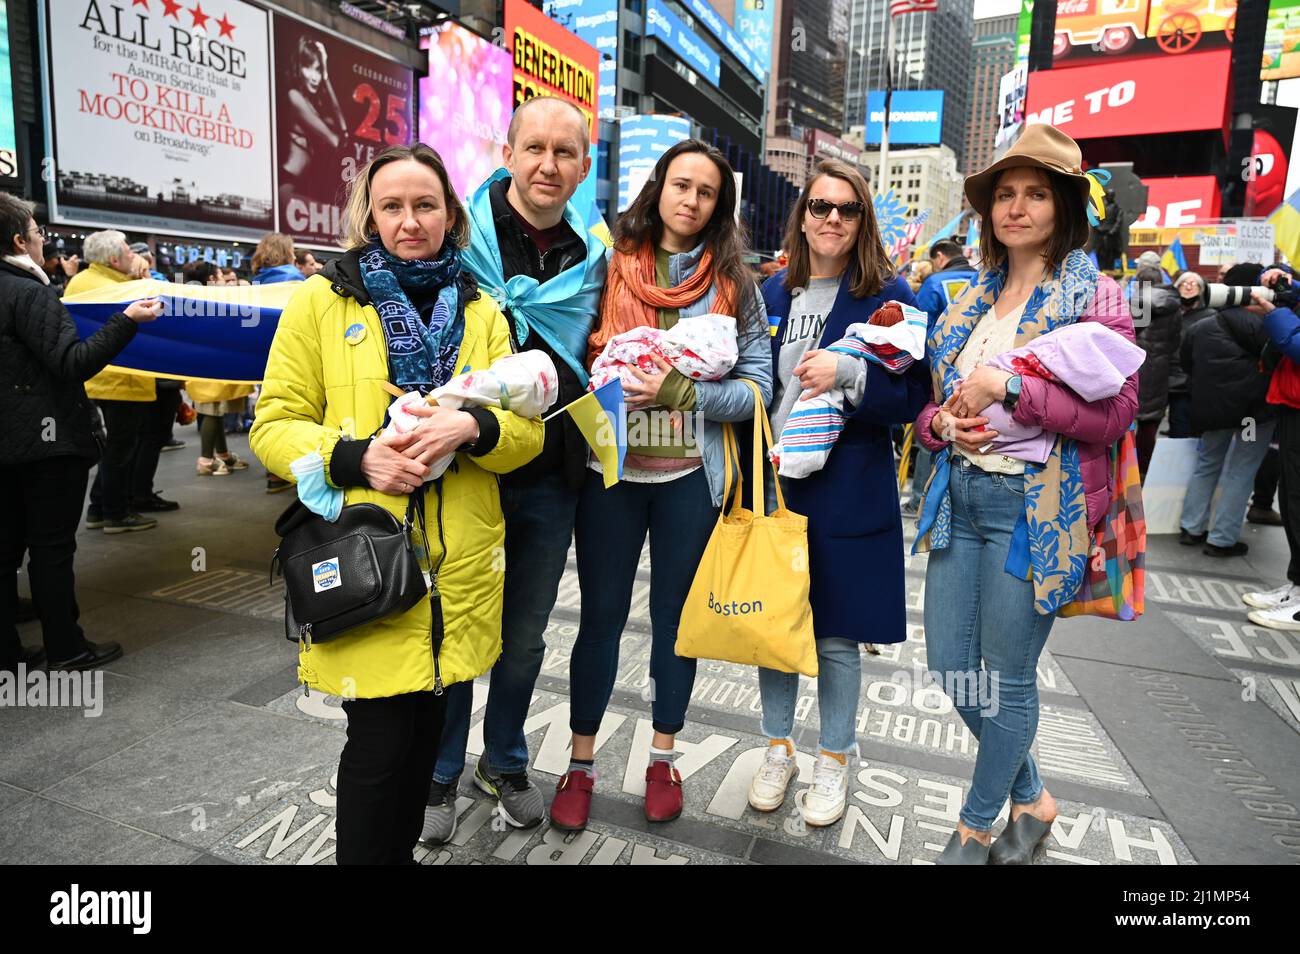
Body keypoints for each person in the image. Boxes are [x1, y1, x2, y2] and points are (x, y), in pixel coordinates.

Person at [249, 143, 544, 865]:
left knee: (429, 734)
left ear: (451, 215)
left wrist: (473, 426)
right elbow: (273, 424)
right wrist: (357, 456)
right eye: (392, 206)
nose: (410, 221)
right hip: (369, 560)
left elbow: (527, 435)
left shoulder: (481, 312)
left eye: (425, 205)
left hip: (459, 572)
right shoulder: (322, 301)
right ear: (369, 215)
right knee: (380, 745)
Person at [914, 124, 1137, 864]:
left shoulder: (1094, 296)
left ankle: (978, 825)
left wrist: (1014, 386)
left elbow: (1115, 414)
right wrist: (945, 421)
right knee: (950, 665)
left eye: (1035, 194)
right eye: (1005, 195)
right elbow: (929, 410)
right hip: (960, 502)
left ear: (1064, 205)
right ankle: (1034, 794)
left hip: (1036, 514)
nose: (1016, 208)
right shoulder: (964, 296)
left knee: (1008, 678)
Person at [548, 139, 772, 831]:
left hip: (686, 480)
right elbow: (568, 352)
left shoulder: (735, 281)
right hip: (610, 474)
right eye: (682, 185)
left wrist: (681, 391)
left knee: (677, 625)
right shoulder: (609, 263)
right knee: (601, 619)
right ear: (660, 187)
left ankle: (663, 756)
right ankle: (580, 763)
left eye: (707, 192)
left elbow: (760, 388)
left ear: (719, 205)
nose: (692, 200)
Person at [421, 96, 609, 840]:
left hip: (551, 470)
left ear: (583, 167)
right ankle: (438, 771)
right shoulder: (460, 239)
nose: (548, 165)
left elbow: (603, 353)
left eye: (565, 153)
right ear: (508, 152)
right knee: (455, 618)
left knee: (525, 633)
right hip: (464, 468)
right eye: (535, 148)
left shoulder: (594, 258)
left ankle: (503, 758)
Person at [745, 159, 929, 827]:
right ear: (802, 216)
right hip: (774, 485)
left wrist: (852, 371)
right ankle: (777, 747)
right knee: (773, 628)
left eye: (845, 209)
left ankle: (835, 757)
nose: (830, 219)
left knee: (835, 638)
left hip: (848, 486)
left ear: (863, 220)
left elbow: (911, 397)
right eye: (819, 206)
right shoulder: (771, 292)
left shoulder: (892, 294)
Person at [0, 193, 163, 674]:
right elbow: (73, 362)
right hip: (44, 445)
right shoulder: (29, 292)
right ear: (17, 241)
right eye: (36, 233)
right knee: (51, 549)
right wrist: (126, 321)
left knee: (6, 550)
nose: (42, 240)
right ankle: (66, 647)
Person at [1178, 263, 1277, 557]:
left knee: (1207, 464)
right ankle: (1221, 539)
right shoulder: (1269, 328)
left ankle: (1191, 527)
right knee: (1241, 470)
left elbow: (1187, 365)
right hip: (1251, 416)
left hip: (1211, 411)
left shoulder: (1200, 326)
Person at [68, 230, 161, 534]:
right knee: (121, 449)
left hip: (106, 378)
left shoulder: (87, 280)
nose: (134, 255)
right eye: (127, 250)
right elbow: (148, 304)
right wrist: (143, 277)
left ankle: (98, 509)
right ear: (112, 258)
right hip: (120, 381)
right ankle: (115, 513)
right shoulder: (109, 287)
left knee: (115, 448)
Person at [1244, 272, 1300, 630]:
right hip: (1292, 403)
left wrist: (1274, 312)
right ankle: (1296, 587)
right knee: (1292, 498)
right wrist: (1289, 286)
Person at [907, 238, 979, 513]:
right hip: (980, 381)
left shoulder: (936, 283)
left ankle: (921, 501)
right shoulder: (984, 281)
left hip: (939, 383)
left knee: (935, 436)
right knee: (968, 437)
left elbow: (917, 333)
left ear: (939, 257)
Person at [279, 36, 347, 209]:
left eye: (318, 69)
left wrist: (326, 77)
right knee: (339, 218)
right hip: (287, 184)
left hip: (302, 187)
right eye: (308, 67)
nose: (314, 76)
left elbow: (343, 131)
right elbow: (335, 140)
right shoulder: (294, 96)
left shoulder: (312, 102)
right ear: (298, 67)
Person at [1130, 263, 1182, 479]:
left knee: (1126, 419)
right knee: (1149, 421)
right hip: (1159, 368)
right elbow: (1175, 340)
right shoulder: (1174, 305)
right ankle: (1143, 470)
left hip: (1134, 364)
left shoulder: (1137, 302)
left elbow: (1127, 333)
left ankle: (1126, 469)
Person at [1166, 271, 1215, 439]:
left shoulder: (1209, 316)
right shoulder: (1167, 313)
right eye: (1183, 283)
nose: (1188, 285)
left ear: (1201, 290)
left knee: (1182, 427)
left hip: (1187, 383)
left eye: (1193, 283)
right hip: (1164, 379)